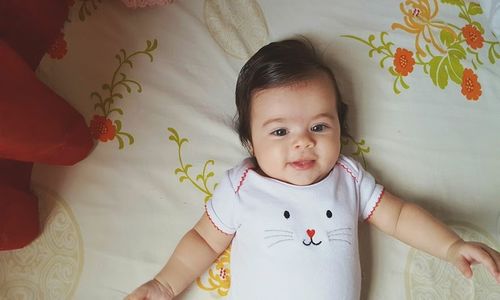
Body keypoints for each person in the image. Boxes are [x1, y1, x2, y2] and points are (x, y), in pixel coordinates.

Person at [126, 38, 500, 300]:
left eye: (319, 127)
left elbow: (399, 216)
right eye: (280, 131)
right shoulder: (243, 186)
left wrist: (451, 246)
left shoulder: (348, 179)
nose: (302, 141)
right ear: (251, 142)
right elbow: (205, 240)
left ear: (340, 127)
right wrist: (164, 286)